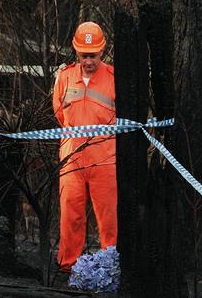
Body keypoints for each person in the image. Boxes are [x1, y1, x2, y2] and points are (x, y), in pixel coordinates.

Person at [52, 21, 117, 273]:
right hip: (72, 160)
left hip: (105, 160)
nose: (89, 61)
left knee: (109, 219)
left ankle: (110, 268)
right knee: (70, 216)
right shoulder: (65, 77)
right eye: (84, 55)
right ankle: (68, 267)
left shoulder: (113, 79)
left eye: (93, 55)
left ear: (102, 51)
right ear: (76, 52)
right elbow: (59, 113)